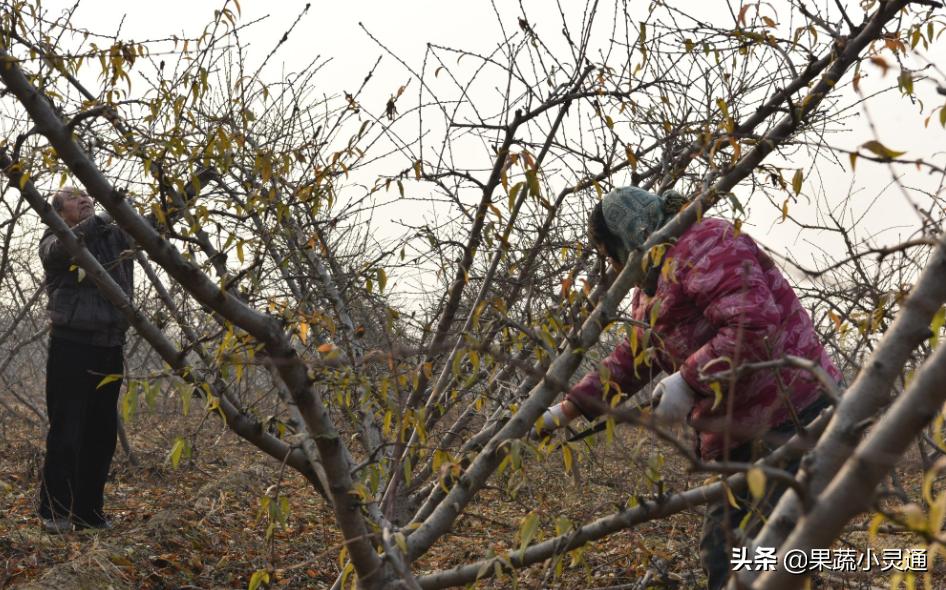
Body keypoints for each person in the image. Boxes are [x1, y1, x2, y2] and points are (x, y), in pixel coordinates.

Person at [535, 186, 841, 590]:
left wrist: (688, 380)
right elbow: (633, 357)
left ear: (626, 235)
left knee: (765, 560)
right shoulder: (651, 284)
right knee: (727, 557)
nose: (612, 264)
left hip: (792, 415)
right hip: (738, 434)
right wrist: (565, 411)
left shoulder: (707, 243)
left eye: (609, 251)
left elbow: (753, 326)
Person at [37, 186, 133, 533]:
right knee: (67, 429)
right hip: (71, 346)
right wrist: (101, 219)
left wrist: (184, 193)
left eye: (86, 195)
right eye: (73, 197)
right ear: (60, 213)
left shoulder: (114, 236)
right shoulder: (54, 237)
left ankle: (89, 513)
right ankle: (55, 511)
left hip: (111, 346)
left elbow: (152, 227)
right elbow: (61, 251)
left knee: (102, 434)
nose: (84, 199)